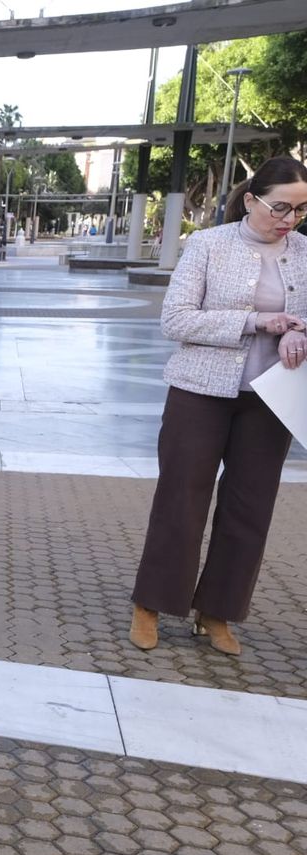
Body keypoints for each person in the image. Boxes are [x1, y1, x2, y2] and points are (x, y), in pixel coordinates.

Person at [128, 156, 307, 656]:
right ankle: (151, 604)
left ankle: (217, 612)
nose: (288, 220)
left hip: (271, 400)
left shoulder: (306, 253)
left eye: (300, 211)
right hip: (199, 393)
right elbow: (177, 320)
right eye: (279, 208)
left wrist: (300, 335)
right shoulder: (208, 245)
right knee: (181, 500)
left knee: (249, 509)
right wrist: (257, 322)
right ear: (251, 200)